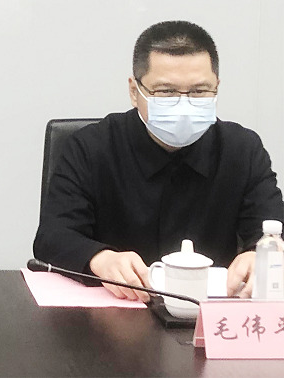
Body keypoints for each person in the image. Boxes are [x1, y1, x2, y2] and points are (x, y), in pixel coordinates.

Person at [34, 20, 284, 300]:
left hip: (208, 311)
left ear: (217, 87)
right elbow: (53, 237)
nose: (184, 104)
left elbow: (274, 227)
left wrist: (262, 255)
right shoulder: (90, 147)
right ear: (134, 91)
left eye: (199, 91)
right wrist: (99, 258)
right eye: (166, 92)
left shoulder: (243, 150)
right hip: (116, 306)